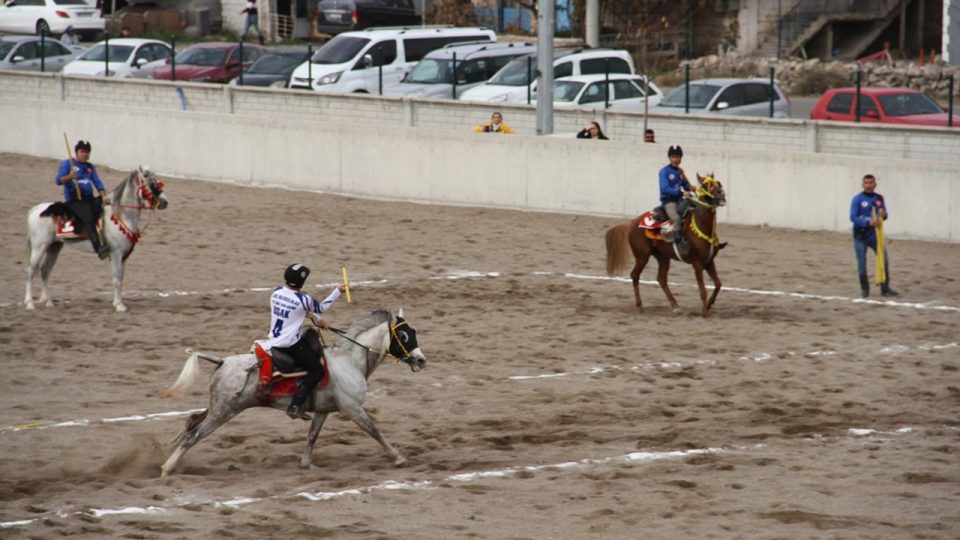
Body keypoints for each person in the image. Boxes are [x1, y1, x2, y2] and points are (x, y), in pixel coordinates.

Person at [263, 264, 345, 420]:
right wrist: (337, 292)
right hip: (290, 345)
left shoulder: (276, 292)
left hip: (273, 340)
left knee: (311, 335)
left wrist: (318, 320)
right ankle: (295, 405)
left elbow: (300, 311)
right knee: (317, 370)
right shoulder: (304, 299)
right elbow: (320, 308)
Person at [55, 140, 109, 258]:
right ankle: (98, 248)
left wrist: (103, 194)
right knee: (88, 217)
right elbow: (58, 180)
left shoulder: (90, 167)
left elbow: (97, 182)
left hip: (89, 199)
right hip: (74, 201)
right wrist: (70, 176)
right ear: (76, 152)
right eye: (82, 151)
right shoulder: (67, 164)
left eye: (87, 152)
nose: (85, 154)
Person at [850, 174, 898, 298]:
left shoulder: (879, 198)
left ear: (875, 184)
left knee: (884, 260)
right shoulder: (857, 199)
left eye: (871, 183)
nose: (869, 185)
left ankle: (885, 288)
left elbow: (884, 214)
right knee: (862, 264)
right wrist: (867, 222)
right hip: (860, 237)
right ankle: (865, 290)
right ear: (862, 184)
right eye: (866, 183)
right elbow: (853, 217)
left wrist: (883, 214)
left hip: (875, 237)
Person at [658, 145, 692, 249]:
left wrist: (692, 187)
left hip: (679, 201)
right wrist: (681, 193)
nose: (675, 159)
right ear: (669, 158)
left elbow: (686, 185)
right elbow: (665, 188)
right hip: (669, 202)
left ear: (681, 158)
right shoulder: (664, 171)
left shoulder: (680, 171)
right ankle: (679, 244)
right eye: (673, 157)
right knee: (676, 219)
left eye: (678, 157)